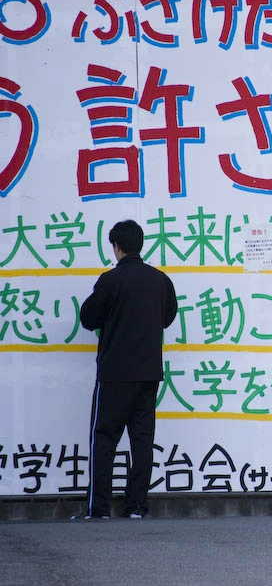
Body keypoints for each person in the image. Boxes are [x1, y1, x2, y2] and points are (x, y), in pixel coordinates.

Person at [73, 220, 177, 520]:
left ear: (116, 246)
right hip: (149, 373)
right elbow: (168, 316)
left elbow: (88, 318)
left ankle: (99, 509)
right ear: (140, 245)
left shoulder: (111, 280)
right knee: (142, 440)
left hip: (115, 374)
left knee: (104, 438)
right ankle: (136, 507)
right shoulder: (160, 280)